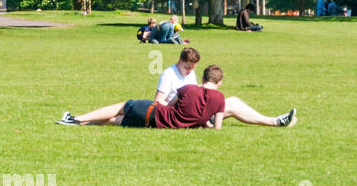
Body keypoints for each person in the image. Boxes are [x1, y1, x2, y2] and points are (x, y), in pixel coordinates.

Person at [57, 64, 296, 128]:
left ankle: (76, 119)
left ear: (202, 77)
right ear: (219, 82)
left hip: (160, 117)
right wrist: (205, 122)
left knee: (124, 107)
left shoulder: (188, 89)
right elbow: (218, 128)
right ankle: (275, 121)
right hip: (186, 122)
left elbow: (168, 104)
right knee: (119, 121)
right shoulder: (219, 99)